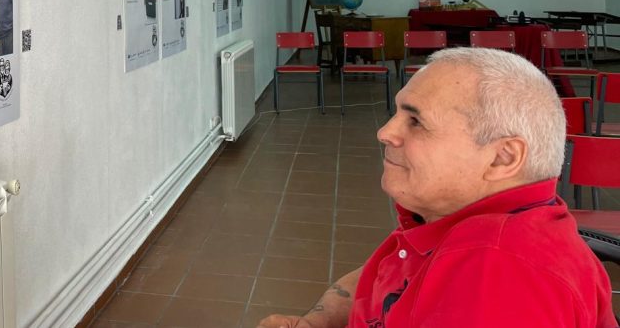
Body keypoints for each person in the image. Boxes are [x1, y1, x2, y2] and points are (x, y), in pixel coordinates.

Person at [258, 47, 617, 328]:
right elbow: (390, 277)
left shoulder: (499, 278)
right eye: (398, 113)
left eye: (416, 121)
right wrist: (317, 321)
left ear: (502, 158)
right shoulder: (459, 215)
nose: (385, 132)